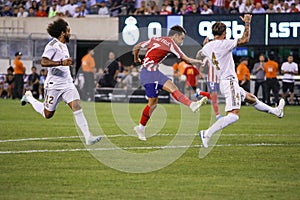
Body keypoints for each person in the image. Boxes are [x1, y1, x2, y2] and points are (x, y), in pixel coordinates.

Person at [198, 14, 285, 148]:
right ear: (223, 33)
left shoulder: (208, 47)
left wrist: (206, 45)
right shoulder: (224, 43)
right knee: (233, 115)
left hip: (225, 81)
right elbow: (245, 39)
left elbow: (200, 54)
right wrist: (247, 23)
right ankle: (207, 133)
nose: (227, 35)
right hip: (229, 81)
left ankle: (276, 111)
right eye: (226, 32)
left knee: (251, 98)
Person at [20, 18, 101, 145]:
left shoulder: (64, 45)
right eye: (68, 30)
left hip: (67, 84)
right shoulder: (52, 46)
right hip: (54, 85)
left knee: (77, 106)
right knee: (48, 114)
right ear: (63, 33)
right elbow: (43, 61)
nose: (70, 33)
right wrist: (61, 62)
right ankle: (29, 97)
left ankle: (88, 137)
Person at [133, 25, 208, 141]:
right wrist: (198, 61)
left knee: (162, 96)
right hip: (149, 74)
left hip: (151, 72)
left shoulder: (155, 39)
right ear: (175, 35)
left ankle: (192, 105)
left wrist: (136, 59)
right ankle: (141, 128)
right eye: (181, 39)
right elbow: (186, 59)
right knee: (154, 102)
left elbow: (136, 46)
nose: (181, 42)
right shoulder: (170, 43)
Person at [195, 47, 221, 120]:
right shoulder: (207, 57)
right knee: (214, 97)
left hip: (218, 80)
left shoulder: (220, 56)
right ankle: (217, 115)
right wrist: (200, 73)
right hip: (211, 80)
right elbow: (202, 66)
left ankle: (200, 92)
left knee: (213, 96)